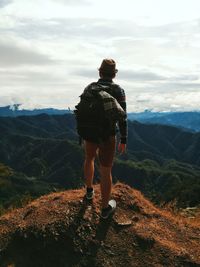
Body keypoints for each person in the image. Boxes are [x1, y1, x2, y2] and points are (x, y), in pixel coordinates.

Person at [83, 59, 127, 219]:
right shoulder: (118, 90)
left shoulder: (90, 88)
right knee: (106, 169)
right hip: (107, 134)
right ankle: (104, 208)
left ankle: (89, 191)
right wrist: (124, 139)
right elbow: (123, 116)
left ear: (100, 72)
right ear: (114, 74)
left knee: (89, 158)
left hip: (89, 132)